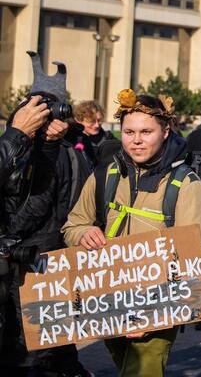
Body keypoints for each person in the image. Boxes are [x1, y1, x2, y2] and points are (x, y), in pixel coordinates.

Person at [62, 90, 201, 377]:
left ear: (166, 131)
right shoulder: (106, 174)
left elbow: (195, 262)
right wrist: (83, 234)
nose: (136, 140)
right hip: (108, 303)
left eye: (146, 131)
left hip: (158, 312)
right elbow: (73, 225)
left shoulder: (187, 185)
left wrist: (153, 314)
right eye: (129, 132)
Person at [0, 53, 90, 376]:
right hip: (22, 266)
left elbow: (68, 206)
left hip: (50, 265)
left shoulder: (73, 154)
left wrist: (49, 147)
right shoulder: (18, 152)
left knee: (49, 352)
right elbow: (20, 213)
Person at [67, 99, 120, 168]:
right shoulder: (72, 141)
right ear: (78, 120)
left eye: (99, 120)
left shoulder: (109, 139)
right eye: (91, 121)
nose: (97, 125)